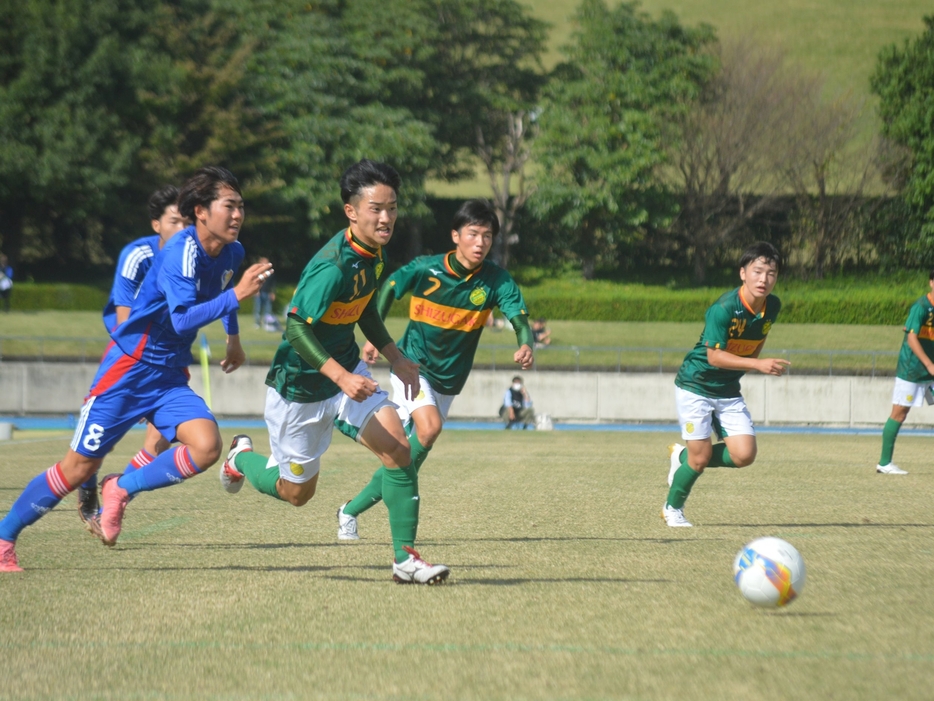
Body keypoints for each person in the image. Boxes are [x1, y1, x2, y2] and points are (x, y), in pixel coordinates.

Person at [0, 166, 271, 572]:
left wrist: (233, 339)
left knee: (207, 446)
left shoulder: (231, 252)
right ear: (201, 210)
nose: (237, 215)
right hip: (128, 369)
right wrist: (238, 295)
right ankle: (4, 540)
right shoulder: (180, 251)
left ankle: (120, 487)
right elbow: (183, 319)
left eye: (241, 207)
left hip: (168, 374)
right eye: (229, 206)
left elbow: (221, 292)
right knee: (78, 468)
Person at [218, 159, 448, 585]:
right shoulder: (332, 266)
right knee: (297, 494)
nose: (386, 218)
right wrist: (339, 377)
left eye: (393, 208)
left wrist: (395, 356)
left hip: (347, 376)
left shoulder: (375, 254)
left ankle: (406, 559)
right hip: (300, 387)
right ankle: (240, 459)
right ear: (351, 211)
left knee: (398, 450)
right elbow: (294, 325)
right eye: (376, 208)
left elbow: (363, 312)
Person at [339, 198, 534, 547]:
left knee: (402, 461)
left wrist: (525, 342)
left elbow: (519, 318)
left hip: (449, 382)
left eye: (487, 236)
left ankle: (349, 511)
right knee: (429, 429)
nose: (480, 243)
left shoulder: (495, 280)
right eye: (473, 234)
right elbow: (390, 289)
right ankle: (344, 418)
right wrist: (375, 336)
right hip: (411, 365)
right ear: (455, 235)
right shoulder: (426, 269)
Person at [76, 186, 190, 533]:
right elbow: (124, 320)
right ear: (156, 224)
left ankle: (115, 497)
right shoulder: (137, 254)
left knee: (159, 440)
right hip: (130, 352)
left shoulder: (194, 253)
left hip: (170, 352)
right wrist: (142, 372)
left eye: (187, 220)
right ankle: (87, 480)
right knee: (97, 439)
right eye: (175, 221)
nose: (183, 228)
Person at [664, 242, 790, 528]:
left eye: (771, 273)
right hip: (695, 385)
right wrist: (757, 365)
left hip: (727, 390)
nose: (764, 279)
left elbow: (758, 339)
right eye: (757, 271)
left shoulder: (773, 306)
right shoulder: (723, 309)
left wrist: (752, 361)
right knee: (701, 459)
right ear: (742, 273)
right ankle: (672, 508)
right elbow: (714, 356)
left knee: (744, 455)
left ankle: (682, 456)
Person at [874, 270, 934, 475]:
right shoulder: (921, 307)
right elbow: (912, 338)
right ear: (931, 283)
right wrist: (929, 364)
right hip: (913, 370)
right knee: (900, 413)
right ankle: (884, 463)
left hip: (930, 373)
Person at [252, 256, 278, 330]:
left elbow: (273, 284)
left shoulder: (271, 273)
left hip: (267, 293)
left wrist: (273, 292)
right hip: (258, 293)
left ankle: (267, 323)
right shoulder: (257, 273)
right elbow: (254, 282)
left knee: (268, 309)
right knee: (258, 308)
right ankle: (257, 323)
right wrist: (256, 291)